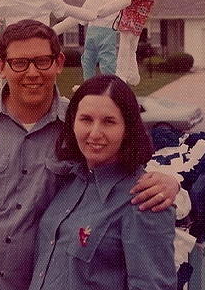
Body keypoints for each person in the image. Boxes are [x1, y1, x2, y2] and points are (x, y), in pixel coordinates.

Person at [0, 20, 184, 290]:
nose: (32, 73)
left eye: (42, 61)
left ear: (58, 63)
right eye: (19, 63)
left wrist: (173, 184)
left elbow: (122, 169)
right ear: (1, 67)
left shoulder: (78, 125)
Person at [29, 75, 176, 289]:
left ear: (128, 128)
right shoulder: (68, 181)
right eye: (86, 119)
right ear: (73, 122)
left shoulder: (143, 198)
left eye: (109, 121)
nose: (95, 133)